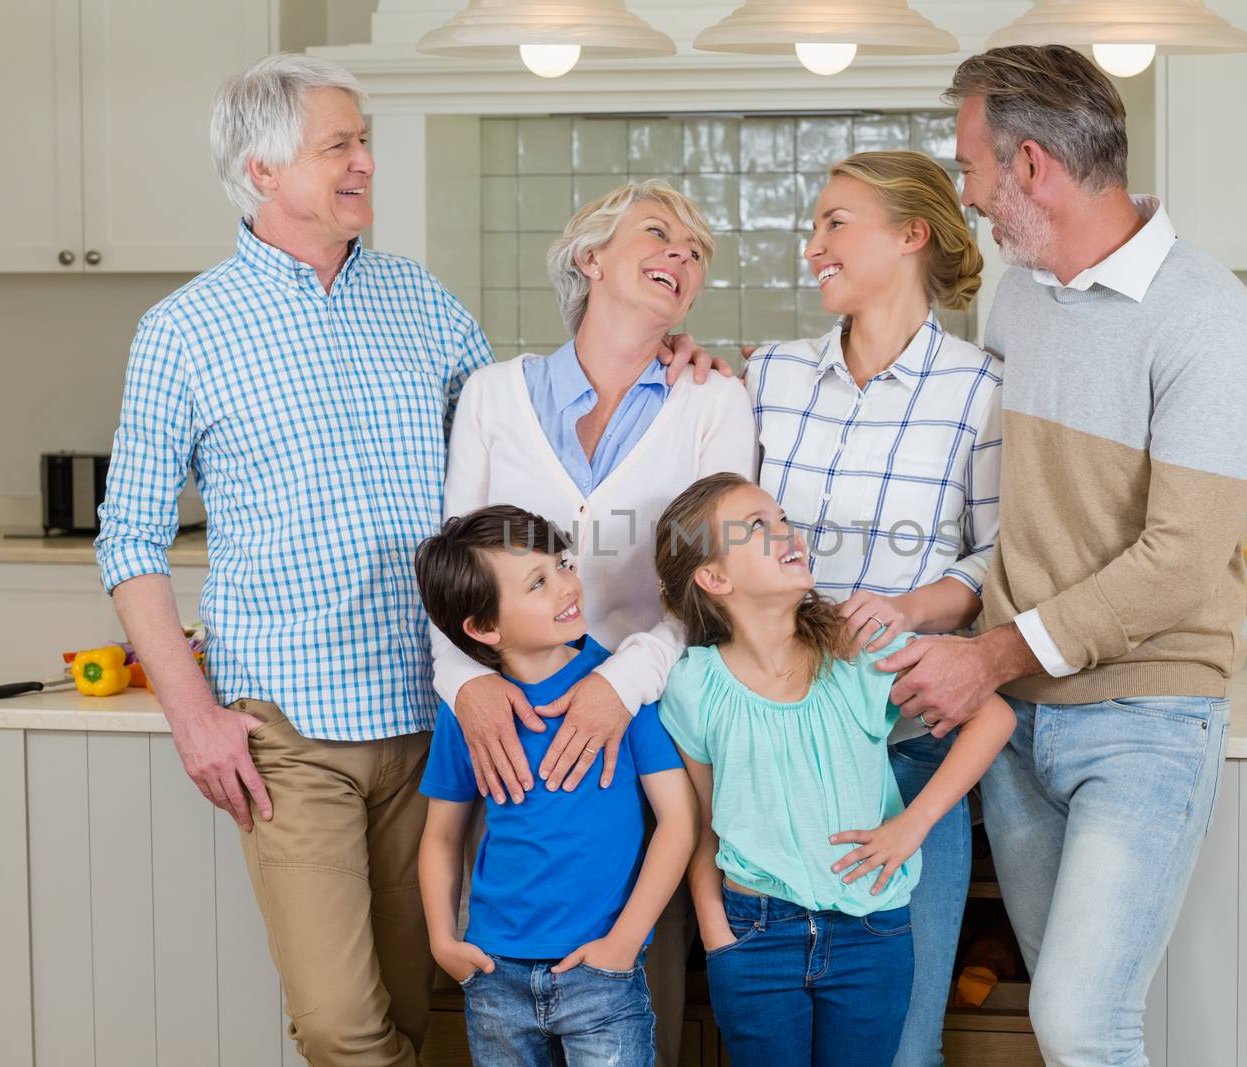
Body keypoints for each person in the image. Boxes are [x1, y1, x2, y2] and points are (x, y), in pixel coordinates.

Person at [94, 54, 718, 1066]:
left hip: (448, 714)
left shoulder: (418, 301)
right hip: (288, 725)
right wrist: (192, 712)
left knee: (441, 986)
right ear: (261, 168)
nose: (365, 162)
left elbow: (531, 425)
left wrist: (666, 353)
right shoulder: (181, 331)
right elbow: (128, 537)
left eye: (363, 140)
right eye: (339, 144)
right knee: (342, 1020)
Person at [875, 45, 1247, 1066]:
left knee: (1080, 1021)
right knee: (1062, 1017)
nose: (965, 195)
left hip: (1142, 718)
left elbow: (1182, 561)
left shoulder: (1207, 318)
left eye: (971, 168)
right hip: (1019, 731)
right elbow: (1000, 499)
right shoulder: (1019, 302)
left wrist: (990, 654)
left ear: (1034, 168)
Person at [429, 180, 757, 1062]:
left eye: (696, 252)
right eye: (660, 234)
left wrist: (621, 682)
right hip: (518, 726)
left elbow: (712, 586)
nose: (682, 256)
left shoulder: (713, 402)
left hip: (656, 722)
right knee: (513, 951)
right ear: (591, 258)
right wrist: (466, 689)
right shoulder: (494, 396)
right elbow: (453, 572)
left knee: (635, 985)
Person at [742, 149, 999, 1067]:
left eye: (834, 223)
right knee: (775, 1036)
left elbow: (995, 554)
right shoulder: (768, 375)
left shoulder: (981, 387)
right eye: (814, 227)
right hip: (771, 740)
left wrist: (905, 604)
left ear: (911, 234)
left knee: (898, 1045)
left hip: (907, 740)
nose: (813, 245)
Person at [653, 473, 1014, 1067]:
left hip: (871, 937)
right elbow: (702, 823)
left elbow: (993, 715)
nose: (786, 533)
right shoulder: (692, 686)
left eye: (782, 520)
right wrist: (718, 936)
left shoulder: (858, 656)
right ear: (714, 578)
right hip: (754, 937)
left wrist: (912, 825)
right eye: (758, 528)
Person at [414, 505, 695, 1066]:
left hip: (603, 977)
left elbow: (679, 823)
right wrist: (443, 941)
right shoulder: (469, 715)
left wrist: (623, 943)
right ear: (484, 628)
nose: (568, 584)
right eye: (538, 582)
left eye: (562, 563)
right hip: (495, 975)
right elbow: (442, 836)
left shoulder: (620, 692)